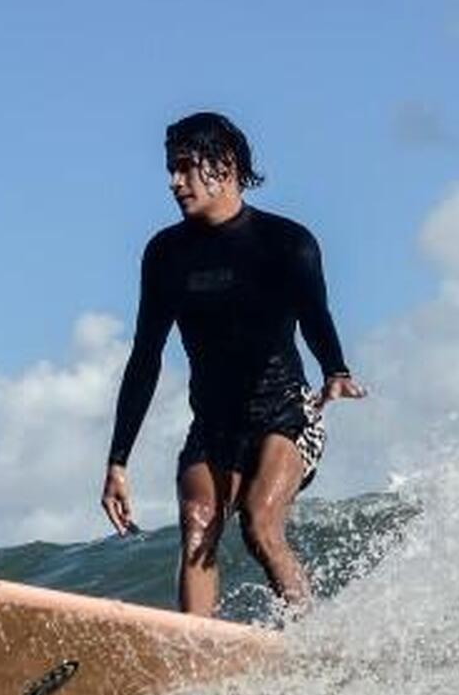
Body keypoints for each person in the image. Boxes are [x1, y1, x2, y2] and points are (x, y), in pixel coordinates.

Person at [101, 111, 366, 616]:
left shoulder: (286, 243)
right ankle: (196, 656)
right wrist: (118, 459)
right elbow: (145, 357)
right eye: (170, 170)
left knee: (260, 524)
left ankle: (310, 638)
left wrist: (335, 370)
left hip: (287, 413)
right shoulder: (165, 255)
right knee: (198, 521)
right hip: (215, 423)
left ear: (224, 166)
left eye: (184, 167)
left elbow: (316, 316)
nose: (174, 182)